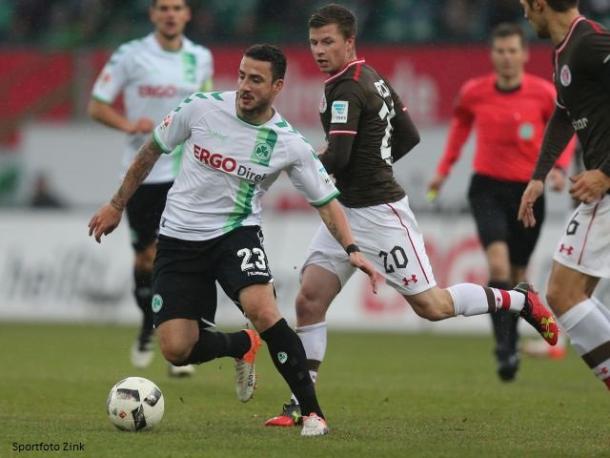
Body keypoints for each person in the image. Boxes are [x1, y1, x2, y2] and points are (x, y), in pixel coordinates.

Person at [265, 3, 560, 428]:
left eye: (328, 41)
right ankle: (302, 401)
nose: (319, 50)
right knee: (310, 299)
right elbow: (410, 135)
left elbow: (341, 156)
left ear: (350, 41)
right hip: (347, 209)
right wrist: (376, 161)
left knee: (433, 306)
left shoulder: (347, 88)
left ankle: (520, 300)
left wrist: (290, 165)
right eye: (313, 42)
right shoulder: (371, 76)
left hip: (380, 215)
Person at [88, 44, 381, 437]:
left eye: (256, 80)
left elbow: (327, 203)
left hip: (234, 233)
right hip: (178, 237)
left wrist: (353, 249)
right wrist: (115, 204)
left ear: (277, 86)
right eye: (242, 76)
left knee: (262, 308)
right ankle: (241, 344)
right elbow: (151, 151)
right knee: (177, 349)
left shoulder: (287, 143)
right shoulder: (201, 108)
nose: (245, 86)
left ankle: (312, 412)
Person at [427, 23, 574, 381]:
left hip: (528, 192)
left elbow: (564, 130)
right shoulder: (474, 92)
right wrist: (443, 171)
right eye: (500, 51)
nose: (507, 58)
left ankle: (511, 341)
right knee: (498, 266)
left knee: (520, 277)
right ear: (492, 55)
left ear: (524, 54)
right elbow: (460, 130)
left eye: (512, 51)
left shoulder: (542, 93)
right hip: (486, 189)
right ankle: (505, 350)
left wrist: (559, 168)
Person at [88, 0, 213, 376]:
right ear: (153, 15)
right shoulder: (130, 55)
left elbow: (206, 106)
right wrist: (128, 126)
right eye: (163, 8)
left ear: (187, 14)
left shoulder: (200, 57)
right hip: (143, 172)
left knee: (179, 255)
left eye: (177, 7)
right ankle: (149, 324)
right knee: (146, 259)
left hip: (187, 171)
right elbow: (97, 105)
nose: (170, 14)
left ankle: (179, 341)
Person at [518, 0, 610, 390]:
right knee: (576, 294)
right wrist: (539, 176)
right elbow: (562, 114)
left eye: (525, 5)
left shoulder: (589, 42)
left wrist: (605, 174)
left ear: (541, 4)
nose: (524, 14)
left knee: (562, 293)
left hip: (605, 187)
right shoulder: (566, 50)